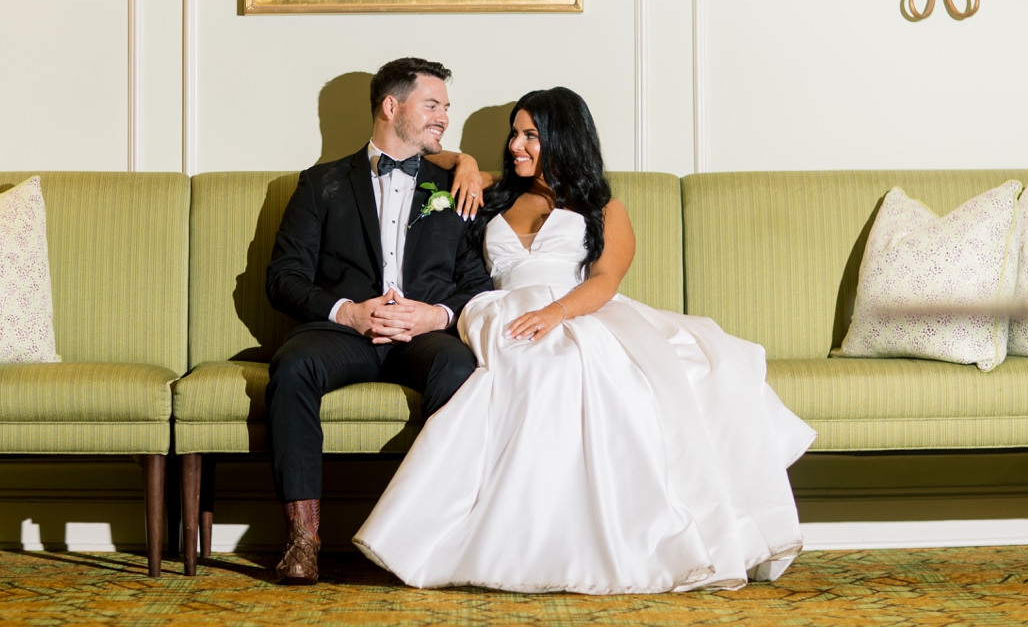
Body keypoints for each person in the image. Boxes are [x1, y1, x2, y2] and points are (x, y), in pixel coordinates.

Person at [353, 89, 815, 595]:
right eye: (514, 133)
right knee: (520, 371)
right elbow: (421, 155)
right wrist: (464, 161)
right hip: (500, 311)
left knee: (571, 370)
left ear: (562, 138)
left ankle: (597, 542)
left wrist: (554, 314)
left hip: (577, 310)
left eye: (530, 135)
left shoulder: (604, 206)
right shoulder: (495, 192)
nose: (515, 146)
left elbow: (606, 280)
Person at [262, 57, 492, 585]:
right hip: (344, 335)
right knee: (292, 366)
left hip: (425, 338)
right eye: (432, 105)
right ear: (392, 106)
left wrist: (435, 314)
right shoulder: (320, 184)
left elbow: (477, 285)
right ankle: (303, 539)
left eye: (446, 108)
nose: (443, 118)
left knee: (460, 370)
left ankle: (431, 536)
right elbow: (283, 277)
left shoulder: (456, 186)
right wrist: (350, 311)